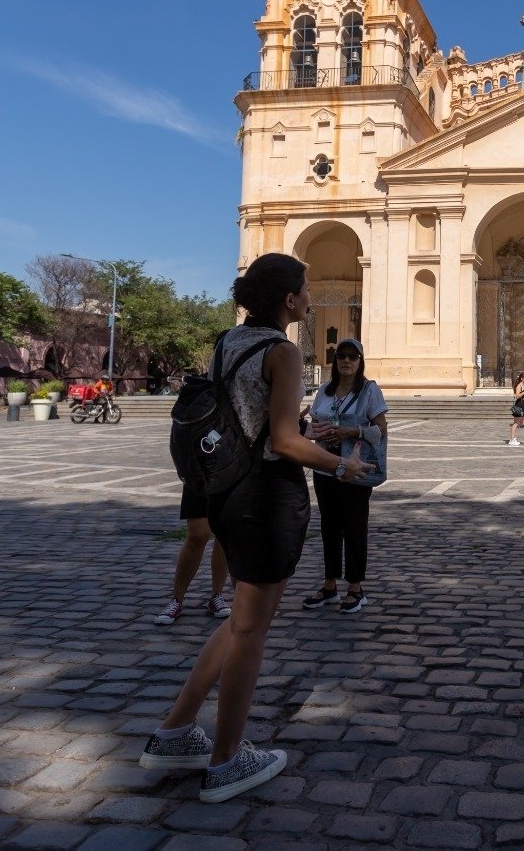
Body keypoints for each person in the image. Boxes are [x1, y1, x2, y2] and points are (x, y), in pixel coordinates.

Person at [140, 253, 368, 804]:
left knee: (241, 621)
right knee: (250, 631)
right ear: (289, 300)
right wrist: (341, 464)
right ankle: (226, 761)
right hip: (267, 497)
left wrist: (301, 433)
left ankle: (175, 731)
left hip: (225, 491)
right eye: (305, 289)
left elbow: (251, 418)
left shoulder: (227, 342)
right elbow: (284, 442)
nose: (310, 297)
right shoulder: (283, 352)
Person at [302, 337, 388, 614]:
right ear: (335, 360)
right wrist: (318, 430)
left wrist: (353, 431)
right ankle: (329, 585)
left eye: (353, 356)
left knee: (354, 526)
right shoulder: (324, 392)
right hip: (325, 466)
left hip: (354, 467)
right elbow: (315, 423)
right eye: (342, 356)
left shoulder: (369, 391)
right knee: (329, 527)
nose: (347, 361)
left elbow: (381, 429)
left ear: (360, 361)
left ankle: (355, 588)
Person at [152, 497, 232, 626]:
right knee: (197, 535)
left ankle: (216, 595)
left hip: (230, 484)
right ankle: (176, 599)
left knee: (224, 533)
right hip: (200, 484)